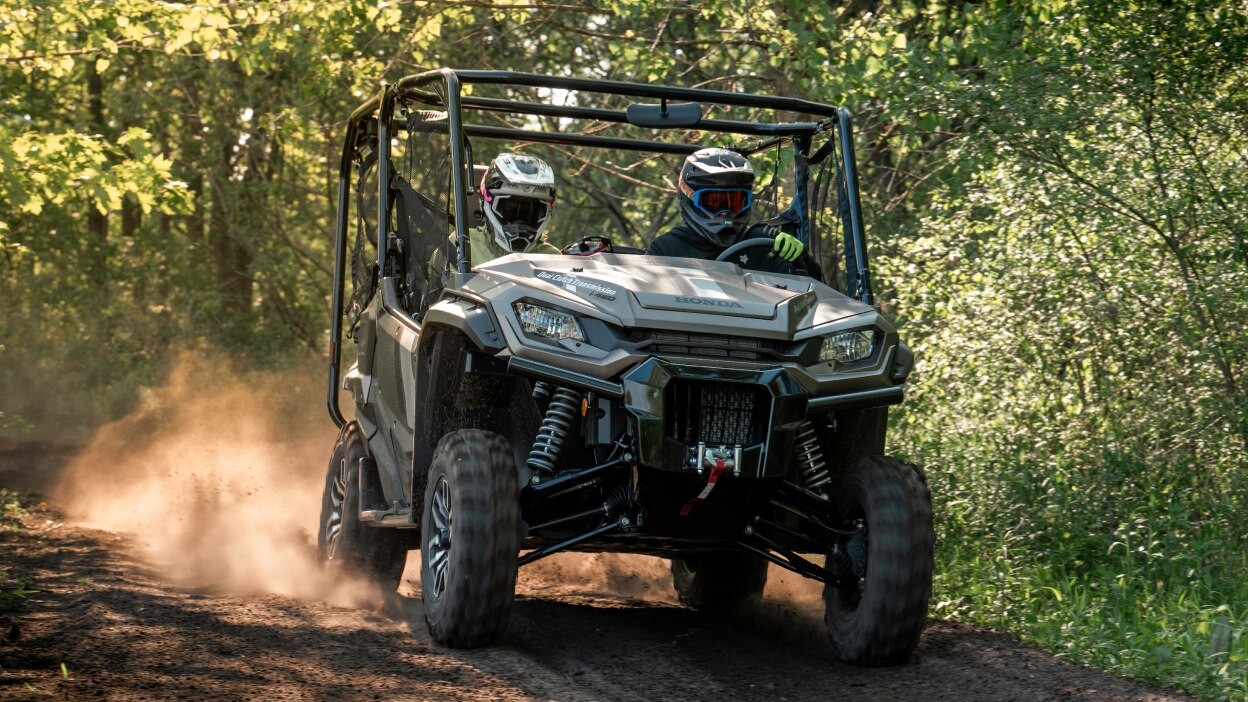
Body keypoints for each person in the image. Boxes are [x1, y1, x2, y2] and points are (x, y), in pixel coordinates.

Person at [646, 147, 804, 273]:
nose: (725, 212)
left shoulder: (764, 240)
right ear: (690, 198)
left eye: (734, 202)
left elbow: (809, 292)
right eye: (714, 202)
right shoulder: (666, 249)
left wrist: (801, 254)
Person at [468, 152, 561, 265]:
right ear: (488, 203)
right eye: (510, 210)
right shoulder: (464, 246)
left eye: (529, 212)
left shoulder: (553, 258)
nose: (519, 222)